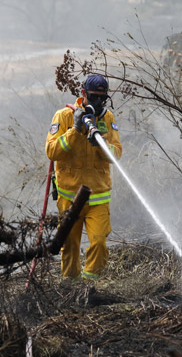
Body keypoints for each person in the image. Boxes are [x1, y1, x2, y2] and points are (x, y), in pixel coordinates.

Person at [46, 74, 122, 280]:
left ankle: (89, 287)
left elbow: (116, 154)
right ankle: (70, 285)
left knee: (98, 243)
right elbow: (52, 152)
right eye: (93, 96)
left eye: (102, 98)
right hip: (69, 198)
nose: (98, 102)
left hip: (98, 197)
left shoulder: (108, 118)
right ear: (83, 94)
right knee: (69, 244)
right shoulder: (64, 116)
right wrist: (75, 130)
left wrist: (101, 145)